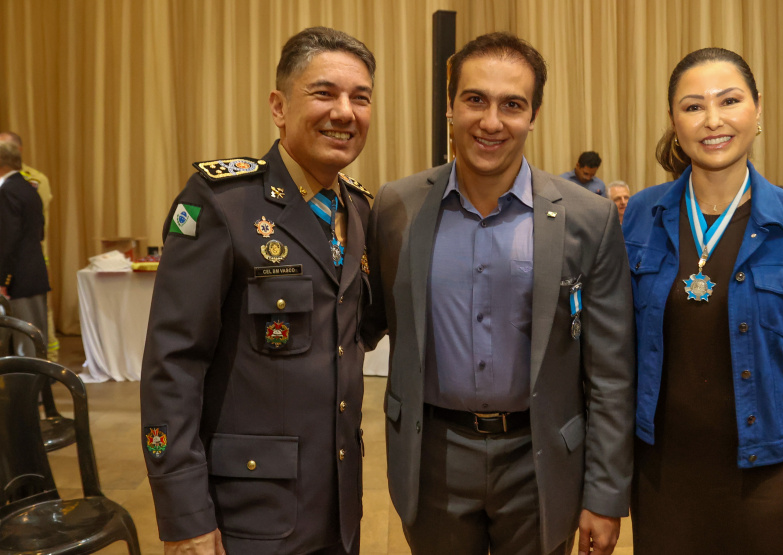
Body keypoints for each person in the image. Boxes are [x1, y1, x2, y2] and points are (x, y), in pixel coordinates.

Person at [362, 33, 635, 555]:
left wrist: (604, 494)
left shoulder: (588, 219)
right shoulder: (397, 208)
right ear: (449, 106)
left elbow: (610, 373)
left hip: (541, 460)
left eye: (512, 105)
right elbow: (366, 323)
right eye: (475, 100)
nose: (491, 122)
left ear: (533, 114)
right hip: (432, 456)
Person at [140, 27, 375, 555]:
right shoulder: (223, 203)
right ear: (279, 106)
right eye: (324, 93)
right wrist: (184, 515)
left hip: (338, 505)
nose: (345, 111)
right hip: (249, 513)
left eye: (360, 98)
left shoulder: (358, 210)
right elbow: (172, 366)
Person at [623, 47, 783, 555]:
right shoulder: (639, 217)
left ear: (758, 108)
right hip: (662, 476)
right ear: (673, 121)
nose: (713, 120)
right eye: (693, 106)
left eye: (729, 101)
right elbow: (615, 357)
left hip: (769, 474)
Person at [0, 131, 59, 361]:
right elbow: (39, 229)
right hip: (33, 272)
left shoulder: (6, 192)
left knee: (25, 343)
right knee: (34, 338)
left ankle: (27, 395)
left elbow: (7, 240)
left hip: (17, 279)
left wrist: (3, 279)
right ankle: (38, 391)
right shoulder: (28, 189)